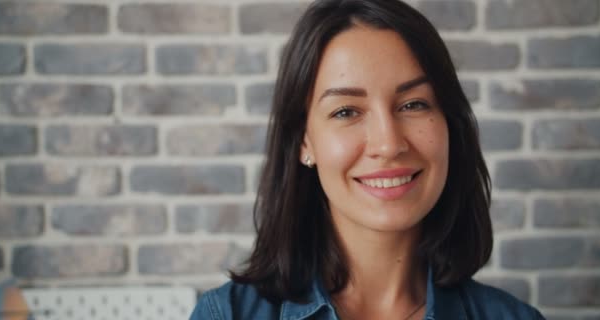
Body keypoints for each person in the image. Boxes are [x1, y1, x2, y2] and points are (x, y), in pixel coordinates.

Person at [190, 0, 545, 319]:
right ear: (304, 141)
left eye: (413, 104)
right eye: (346, 111)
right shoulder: (227, 314)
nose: (388, 144)